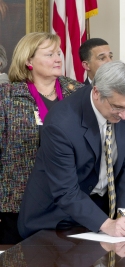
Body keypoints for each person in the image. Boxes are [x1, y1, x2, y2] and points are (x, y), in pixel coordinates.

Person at [18, 60, 125, 239]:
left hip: (102, 209)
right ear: (97, 92)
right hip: (54, 219)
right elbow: (66, 191)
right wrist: (107, 224)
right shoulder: (61, 124)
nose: (124, 116)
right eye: (118, 107)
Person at [0, 32, 83, 244]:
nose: (58, 58)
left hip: (70, 201)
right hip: (19, 201)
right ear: (28, 60)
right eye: (49, 54)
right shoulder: (7, 97)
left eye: (59, 52)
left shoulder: (79, 93)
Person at [79, 38, 125, 139]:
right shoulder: (78, 95)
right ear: (86, 65)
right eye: (102, 58)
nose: (109, 61)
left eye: (110, 56)